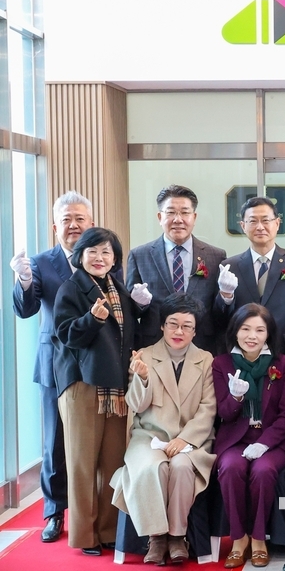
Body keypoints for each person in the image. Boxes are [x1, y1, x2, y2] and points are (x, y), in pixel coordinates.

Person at [52, 227, 150, 555]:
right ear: (80, 255)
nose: (99, 257)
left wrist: (142, 307)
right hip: (83, 385)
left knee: (112, 462)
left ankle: (108, 530)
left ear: (115, 258)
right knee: (82, 465)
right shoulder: (71, 288)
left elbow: (128, 334)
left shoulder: (117, 288)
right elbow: (66, 335)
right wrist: (91, 320)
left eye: (106, 252)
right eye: (92, 251)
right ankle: (84, 535)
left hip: (116, 388)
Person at [10, 190, 94, 543]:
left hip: (95, 360)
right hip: (54, 362)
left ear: (91, 223)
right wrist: (24, 280)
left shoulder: (103, 256)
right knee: (54, 440)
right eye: (66, 220)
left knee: (96, 439)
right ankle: (54, 512)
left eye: (80, 219)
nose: (74, 225)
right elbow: (26, 309)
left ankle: (95, 512)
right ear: (55, 226)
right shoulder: (42, 262)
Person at [110, 293, 217, 565]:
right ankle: (156, 536)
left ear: (195, 330)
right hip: (149, 437)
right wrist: (143, 378)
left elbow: (208, 408)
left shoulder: (205, 359)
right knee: (154, 467)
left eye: (187, 326)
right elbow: (136, 405)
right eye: (173, 324)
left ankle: (177, 536)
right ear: (162, 325)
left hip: (191, 441)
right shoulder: (145, 355)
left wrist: (185, 439)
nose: (179, 332)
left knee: (181, 467)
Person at [212, 303, 285, 568]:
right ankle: (239, 539)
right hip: (235, 438)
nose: (252, 336)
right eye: (245, 329)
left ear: (268, 334)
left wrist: (264, 444)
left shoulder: (283, 364)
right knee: (230, 468)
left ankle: (259, 539)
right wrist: (236, 397)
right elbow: (224, 414)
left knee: (263, 471)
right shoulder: (221, 364)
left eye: (260, 330)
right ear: (235, 331)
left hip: (273, 440)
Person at [126, 184, 226, 352]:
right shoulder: (139, 255)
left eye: (185, 213)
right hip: (153, 345)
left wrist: (227, 296)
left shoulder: (216, 256)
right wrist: (138, 303)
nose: (178, 219)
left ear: (194, 217)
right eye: (171, 212)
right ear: (160, 217)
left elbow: (219, 311)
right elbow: (130, 311)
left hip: (202, 345)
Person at [214, 196, 285, 355]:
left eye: (266, 220)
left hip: (283, 350)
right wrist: (226, 296)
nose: (260, 227)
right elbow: (219, 319)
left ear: (277, 223)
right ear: (243, 226)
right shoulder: (229, 266)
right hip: (242, 352)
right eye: (253, 221)